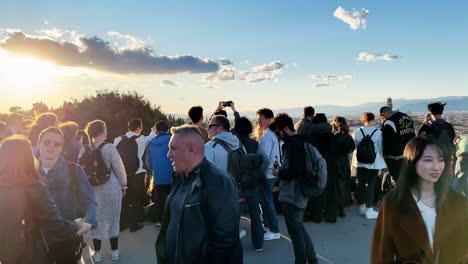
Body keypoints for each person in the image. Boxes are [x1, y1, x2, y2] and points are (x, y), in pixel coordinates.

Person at [371, 136, 468, 264]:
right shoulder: (393, 203)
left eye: (441, 160)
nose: (437, 167)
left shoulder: (458, 202)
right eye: (428, 160)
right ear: (412, 162)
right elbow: (381, 254)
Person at [155, 125, 242, 263]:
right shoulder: (180, 177)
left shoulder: (219, 182)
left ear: (191, 150)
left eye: (173, 148)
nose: (169, 154)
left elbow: (225, 241)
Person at [0, 135, 92, 264]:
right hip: (30, 253)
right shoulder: (34, 187)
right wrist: (78, 226)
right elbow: (54, 224)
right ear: (28, 157)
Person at [36, 127, 97, 264]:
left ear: (61, 147)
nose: (51, 146)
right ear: (39, 143)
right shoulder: (29, 172)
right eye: (47, 142)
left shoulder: (73, 169)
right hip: (37, 242)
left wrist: (89, 221)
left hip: (67, 239)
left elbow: (90, 201)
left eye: (56, 144)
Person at [271, 113, 318, 264]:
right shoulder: (303, 141)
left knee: (295, 233)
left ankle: (301, 261)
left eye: (278, 132)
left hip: (292, 193)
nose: (278, 136)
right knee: (300, 228)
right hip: (301, 192)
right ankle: (312, 258)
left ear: (286, 128)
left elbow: (294, 171)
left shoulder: (293, 145)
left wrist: (279, 172)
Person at [84, 120, 127, 262]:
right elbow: (119, 168)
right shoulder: (109, 147)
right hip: (111, 188)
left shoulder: (84, 148)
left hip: (92, 191)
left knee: (97, 221)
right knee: (114, 219)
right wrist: (124, 185)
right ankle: (114, 251)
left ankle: (97, 253)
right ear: (103, 131)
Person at [233, 117, 269, 252]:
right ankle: (258, 243)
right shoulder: (254, 144)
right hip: (252, 182)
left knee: (234, 212)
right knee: (255, 212)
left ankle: (234, 240)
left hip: (236, 182)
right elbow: (264, 161)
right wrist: (259, 175)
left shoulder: (232, 143)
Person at [114, 118, 156, 232]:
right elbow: (152, 136)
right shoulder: (141, 139)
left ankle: (122, 224)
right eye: (141, 127)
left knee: (123, 199)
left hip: (121, 173)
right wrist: (153, 129)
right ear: (138, 128)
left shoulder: (118, 139)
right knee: (136, 199)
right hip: (137, 173)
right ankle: (134, 224)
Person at [304, 113, 339, 223]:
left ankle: (316, 216)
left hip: (317, 167)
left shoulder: (312, 138)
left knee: (317, 191)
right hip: (332, 166)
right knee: (332, 191)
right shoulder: (333, 136)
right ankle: (331, 216)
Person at [352, 112, 387, 219]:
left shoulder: (356, 132)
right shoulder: (378, 132)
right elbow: (381, 149)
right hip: (374, 163)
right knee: (371, 185)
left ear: (363, 120)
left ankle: (362, 207)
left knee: (360, 184)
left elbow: (354, 146)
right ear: (373, 120)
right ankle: (369, 209)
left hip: (360, 162)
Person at [255, 108, 281, 240]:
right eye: (258, 119)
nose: (259, 121)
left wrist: (271, 172)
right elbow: (276, 157)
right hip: (270, 173)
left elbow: (265, 158)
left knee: (267, 201)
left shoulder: (267, 136)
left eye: (261, 119)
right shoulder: (268, 134)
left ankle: (274, 230)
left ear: (269, 120)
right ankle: (268, 227)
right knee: (266, 201)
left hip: (267, 174)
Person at [145, 120, 173, 226]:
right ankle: (171, 221)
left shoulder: (151, 143)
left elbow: (148, 162)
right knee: (172, 198)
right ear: (167, 129)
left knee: (159, 200)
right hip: (172, 175)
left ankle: (160, 221)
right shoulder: (172, 140)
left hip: (158, 176)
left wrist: (155, 169)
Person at [380, 106, 415, 182]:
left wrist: (385, 154)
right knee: (407, 177)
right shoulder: (406, 116)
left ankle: (397, 192)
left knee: (396, 178)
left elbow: (387, 140)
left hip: (395, 155)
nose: (383, 118)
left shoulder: (389, 122)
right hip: (409, 151)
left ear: (384, 113)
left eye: (382, 116)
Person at [332, 116, 356, 216]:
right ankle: (344, 204)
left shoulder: (333, 137)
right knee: (344, 183)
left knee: (337, 185)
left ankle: (339, 206)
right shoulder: (348, 137)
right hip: (345, 162)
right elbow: (352, 149)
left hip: (335, 161)